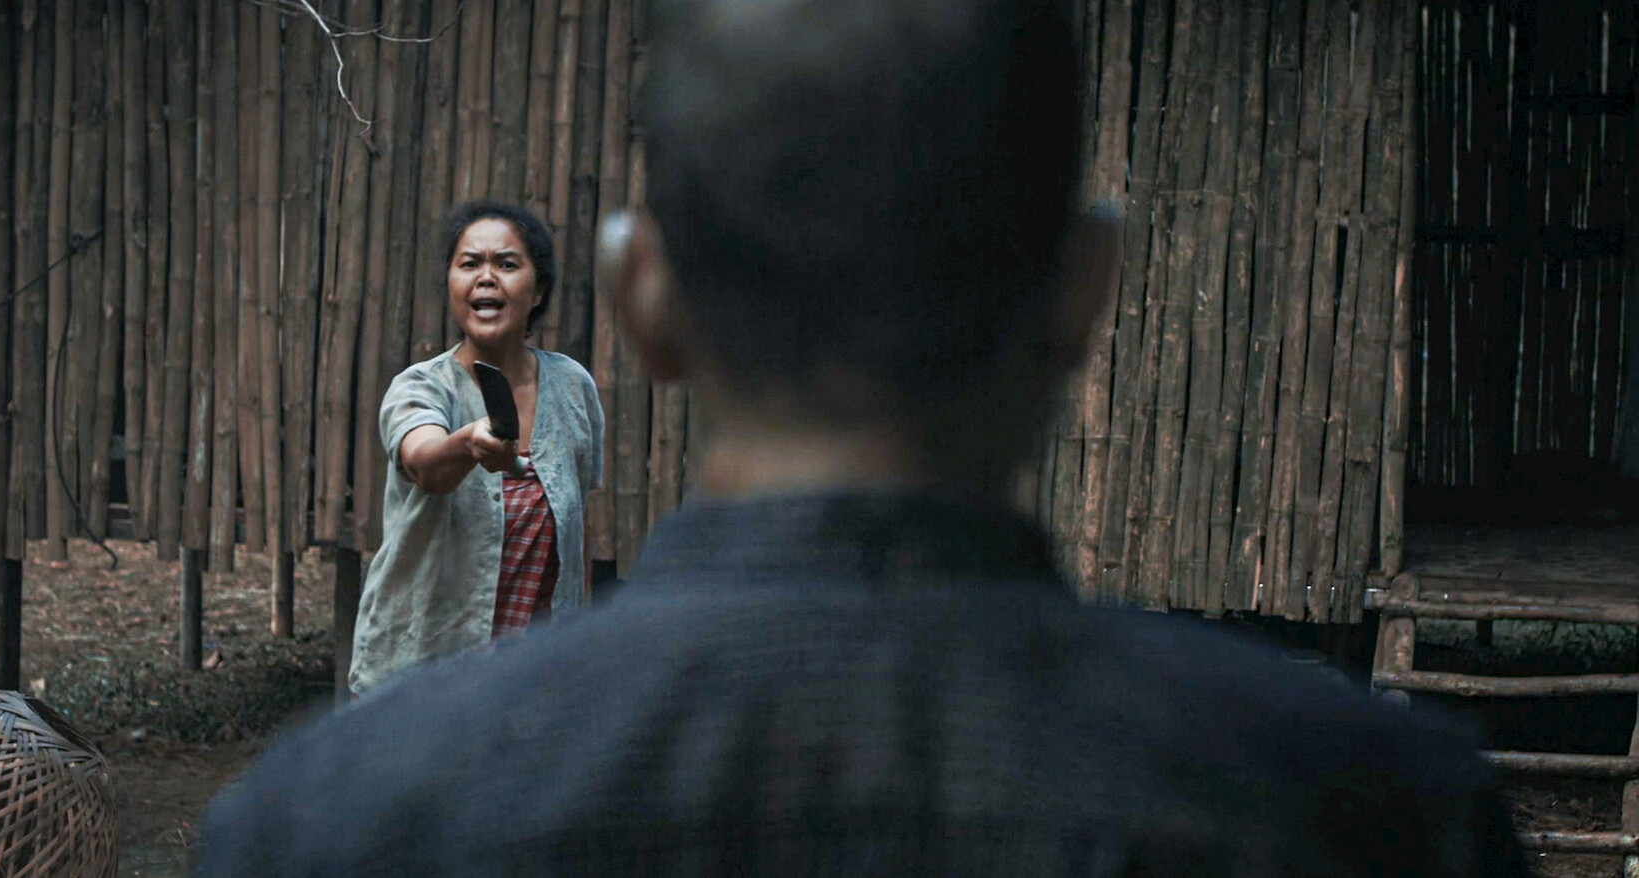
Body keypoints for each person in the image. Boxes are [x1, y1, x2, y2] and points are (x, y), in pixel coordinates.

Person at [199, 1, 1528, 874]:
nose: (485, 278)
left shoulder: (333, 822)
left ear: (641, 296)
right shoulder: (1382, 814)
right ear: (1085, 291)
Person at [345, 200, 605, 695]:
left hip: (534, 679)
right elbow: (425, 463)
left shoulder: (574, 387)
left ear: (538, 290)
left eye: (506, 264)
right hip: (420, 680)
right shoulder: (420, 387)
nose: (486, 278)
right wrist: (467, 443)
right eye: (470, 264)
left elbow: (578, 535)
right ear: (451, 285)